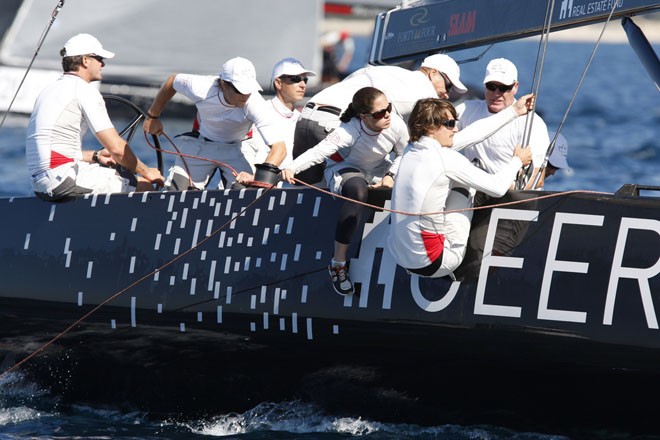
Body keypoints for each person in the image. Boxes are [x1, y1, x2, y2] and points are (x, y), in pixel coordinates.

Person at [281, 87, 408, 296]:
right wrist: (292, 168)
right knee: (358, 193)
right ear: (363, 117)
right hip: (345, 168)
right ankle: (338, 263)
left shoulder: (395, 122)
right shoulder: (348, 131)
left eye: (389, 109)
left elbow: (405, 153)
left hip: (379, 168)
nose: (387, 115)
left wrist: (391, 175)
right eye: (379, 113)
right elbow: (317, 153)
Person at [388, 98, 533, 279]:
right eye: (450, 124)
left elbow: (471, 135)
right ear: (431, 128)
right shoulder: (446, 159)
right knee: (468, 182)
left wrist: (513, 111)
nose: (455, 129)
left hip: (399, 257)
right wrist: (517, 161)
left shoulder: (411, 148)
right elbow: (497, 188)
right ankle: (464, 263)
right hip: (434, 263)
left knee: (451, 181)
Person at [25, 33, 164, 202]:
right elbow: (117, 149)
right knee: (144, 186)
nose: (103, 64)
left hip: (41, 183)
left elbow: (54, 151)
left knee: (119, 177)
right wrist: (147, 171)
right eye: (99, 58)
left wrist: (96, 156)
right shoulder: (85, 90)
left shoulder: (48, 91)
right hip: (61, 179)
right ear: (85, 60)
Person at [293, 54, 468, 185]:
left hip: (307, 115)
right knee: (382, 172)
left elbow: (353, 84)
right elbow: (432, 141)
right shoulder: (427, 94)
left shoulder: (388, 70)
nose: (447, 94)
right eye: (449, 85)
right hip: (335, 124)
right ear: (433, 73)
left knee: (304, 189)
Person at [143, 57, 287, 190]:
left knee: (247, 194)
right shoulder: (201, 87)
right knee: (176, 194)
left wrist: (258, 178)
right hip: (201, 145)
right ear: (224, 84)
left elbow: (279, 149)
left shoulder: (255, 103)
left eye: (249, 90)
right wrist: (153, 116)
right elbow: (172, 81)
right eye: (239, 90)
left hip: (238, 149)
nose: (245, 95)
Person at [456, 58, 549, 190]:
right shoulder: (466, 109)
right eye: (491, 87)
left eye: (504, 88)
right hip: (476, 190)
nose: (496, 94)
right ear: (485, 85)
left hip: (511, 194)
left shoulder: (534, 124)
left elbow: (537, 179)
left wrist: (499, 186)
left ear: (515, 87)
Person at [246, 57, 316, 172]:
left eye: (305, 80)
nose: (303, 84)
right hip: (257, 181)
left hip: (288, 184)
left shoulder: (301, 119)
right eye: (296, 79)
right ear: (278, 83)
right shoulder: (258, 112)